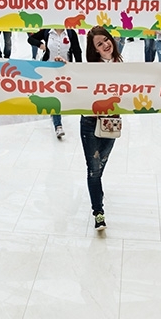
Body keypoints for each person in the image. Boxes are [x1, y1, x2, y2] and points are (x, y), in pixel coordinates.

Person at [79, 26, 123, 230]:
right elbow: (71, 80)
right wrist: (61, 67)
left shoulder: (121, 65)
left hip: (111, 123)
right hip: (89, 123)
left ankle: (97, 191)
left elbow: (147, 80)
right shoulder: (89, 70)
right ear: (95, 50)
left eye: (106, 39)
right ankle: (98, 212)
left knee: (100, 165)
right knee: (93, 170)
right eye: (99, 44)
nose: (105, 44)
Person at [27, 26, 82, 139]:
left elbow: (77, 51)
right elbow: (30, 39)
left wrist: (78, 69)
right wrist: (41, 45)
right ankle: (58, 125)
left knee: (63, 96)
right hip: (49, 68)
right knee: (55, 96)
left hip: (65, 70)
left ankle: (55, 116)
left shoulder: (70, 33)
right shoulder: (47, 31)